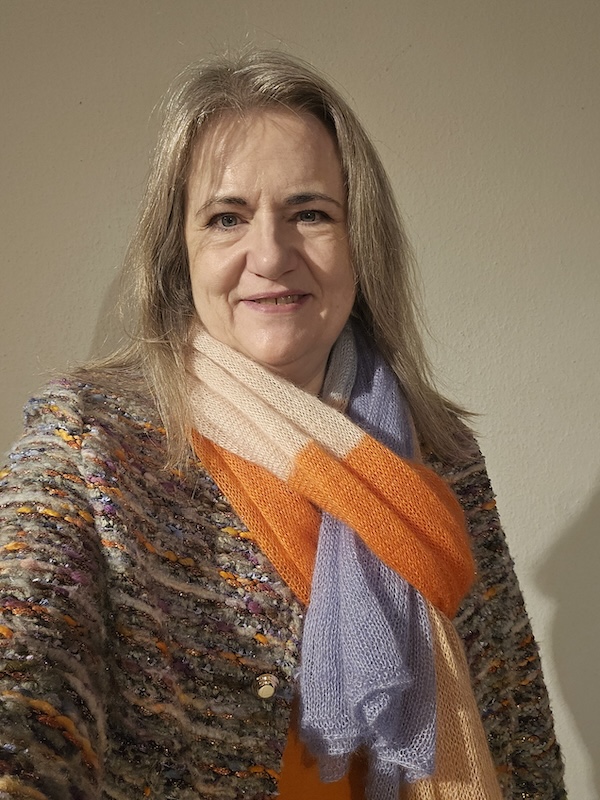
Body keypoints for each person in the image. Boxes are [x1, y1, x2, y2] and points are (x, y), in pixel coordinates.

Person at [0, 50, 565, 800]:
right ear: (179, 253)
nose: (269, 254)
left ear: (359, 240)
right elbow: (25, 663)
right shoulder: (87, 445)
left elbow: (519, 737)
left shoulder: (443, 456)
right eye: (226, 218)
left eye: (310, 214)